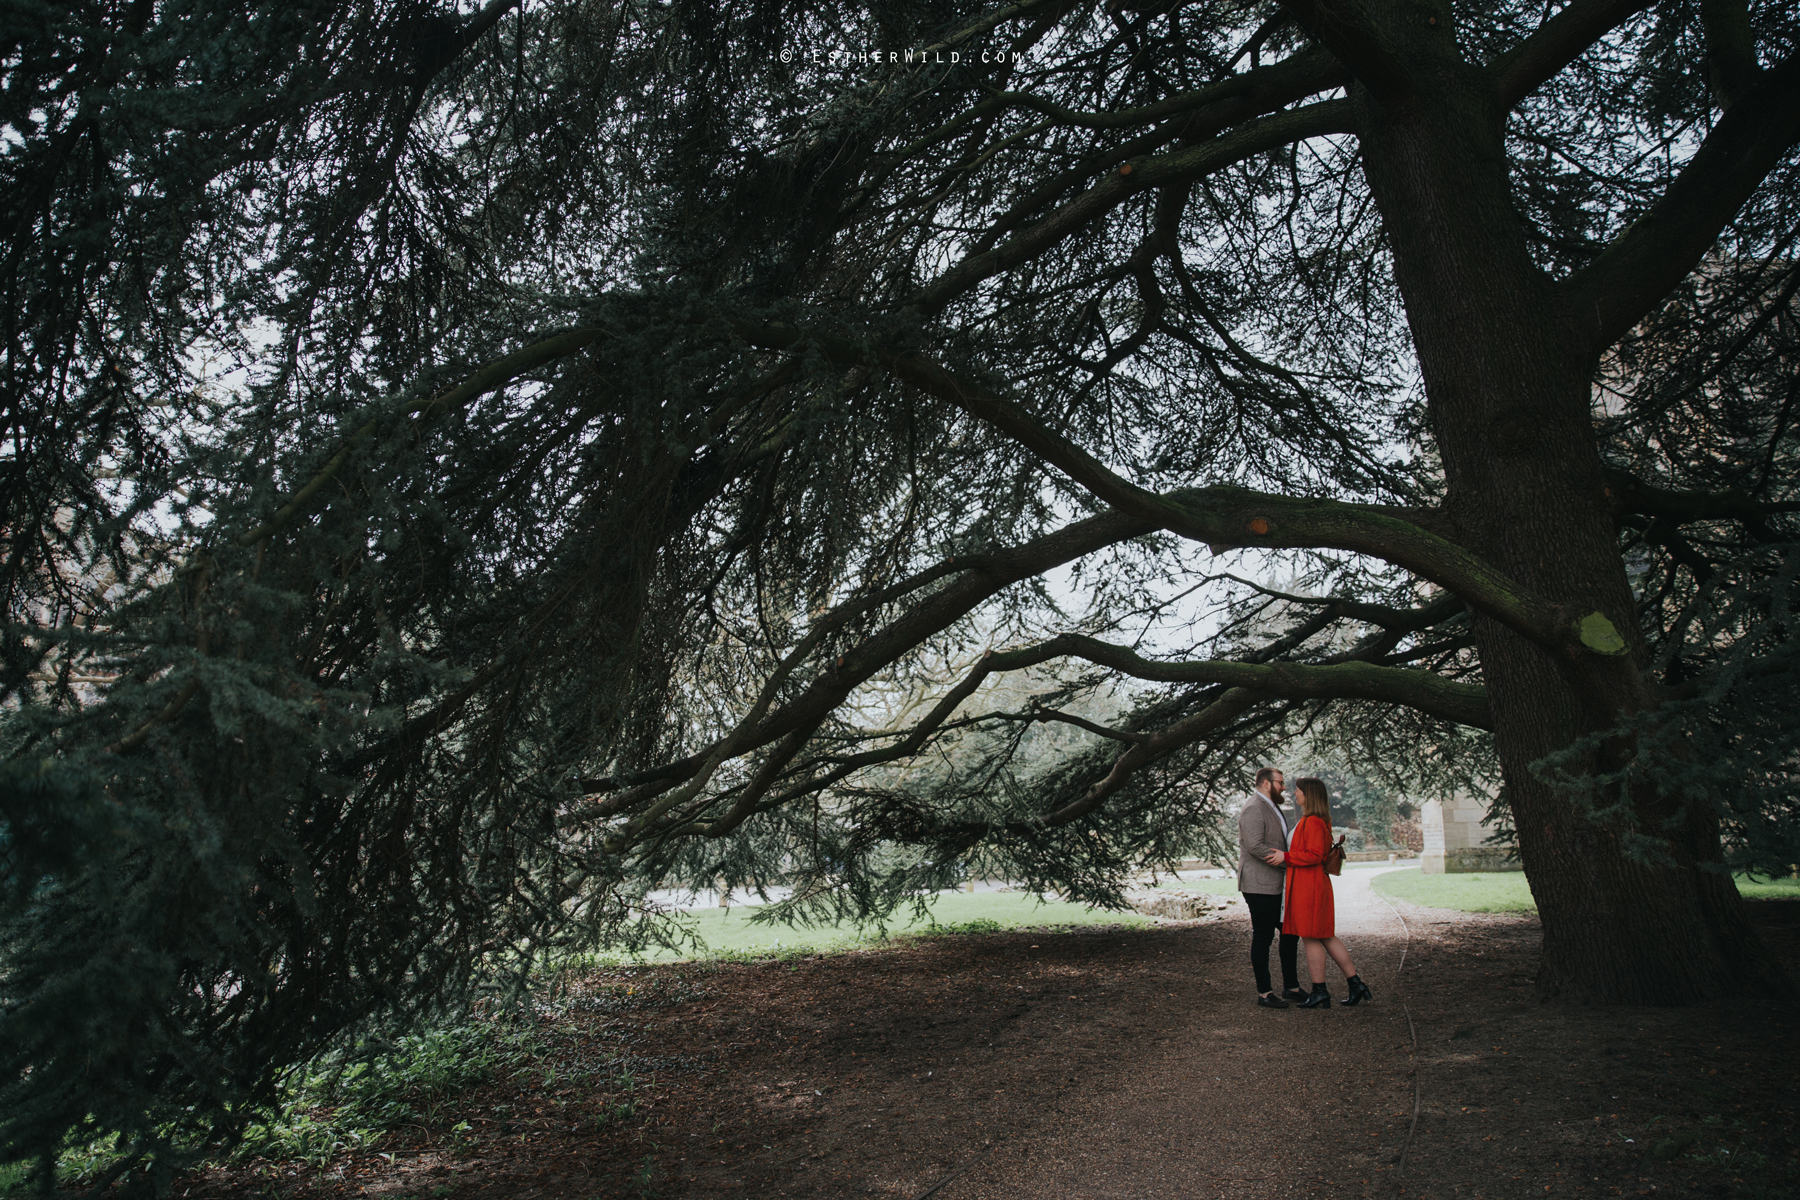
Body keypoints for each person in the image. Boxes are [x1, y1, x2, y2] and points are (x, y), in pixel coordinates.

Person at [1270, 777, 1374, 1009]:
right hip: (1312, 885)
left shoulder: (1313, 821)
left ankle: (1320, 991)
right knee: (1325, 935)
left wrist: (1285, 857)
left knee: (1311, 937)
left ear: (1309, 794)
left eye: (1298, 790)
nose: (1295, 793)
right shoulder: (1315, 820)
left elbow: (1315, 855)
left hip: (1310, 887)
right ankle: (1355, 984)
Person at [1237, 766, 1306, 1008]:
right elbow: (1255, 846)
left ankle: (1292, 987)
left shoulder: (1271, 806)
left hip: (1276, 884)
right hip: (1259, 884)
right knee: (1263, 937)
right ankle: (1264, 993)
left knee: (1289, 933)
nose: (1284, 787)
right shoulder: (1254, 808)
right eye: (1280, 782)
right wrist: (1286, 863)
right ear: (1266, 783)